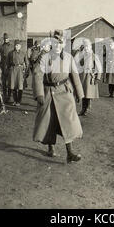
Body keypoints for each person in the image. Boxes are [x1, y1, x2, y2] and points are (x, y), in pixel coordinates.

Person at [33, 29, 84, 163]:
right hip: (48, 92)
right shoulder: (44, 57)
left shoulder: (68, 57)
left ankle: (70, 152)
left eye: (60, 43)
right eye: (55, 42)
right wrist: (39, 93)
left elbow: (74, 75)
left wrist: (79, 93)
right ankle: (50, 148)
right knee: (49, 121)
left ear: (64, 43)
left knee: (68, 121)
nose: (58, 45)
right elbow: (37, 75)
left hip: (64, 91)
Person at [75, 39, 102, 116]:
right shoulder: (83, 55)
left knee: (88, 94)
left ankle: (86, 109)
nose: (86, 48)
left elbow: (99, 68)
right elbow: (78, 64)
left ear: (90, 47)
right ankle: (84, 109)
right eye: (84, 46)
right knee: (83, 93)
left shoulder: (94, 56)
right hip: (83, 76)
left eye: (87, 46)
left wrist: (97, 78)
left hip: (89, 77)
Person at [7, 40, 29, 108]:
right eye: (16, 45)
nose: (17, 47)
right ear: (14, 46)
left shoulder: (23, 53)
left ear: (20, 46)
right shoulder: (10, 53)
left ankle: (19, 101)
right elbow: (7, 62)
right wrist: (8, 70)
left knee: (20, 86)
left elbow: (27, 62)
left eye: (18, 45)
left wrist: (26, 71)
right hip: (13, 69)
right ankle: (15, 100)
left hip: (20, 70)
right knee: (13, 86)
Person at [0, 33, 14, 103]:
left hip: (10, 67)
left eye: (7, 38)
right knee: (4, 83)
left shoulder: (11, 47)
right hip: (3, 67)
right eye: (5, 39)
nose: (6, 40)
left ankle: (10, 97)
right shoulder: (1, 47)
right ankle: (5, 97)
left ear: (9, 39)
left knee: (10, 83)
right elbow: (0, 57)